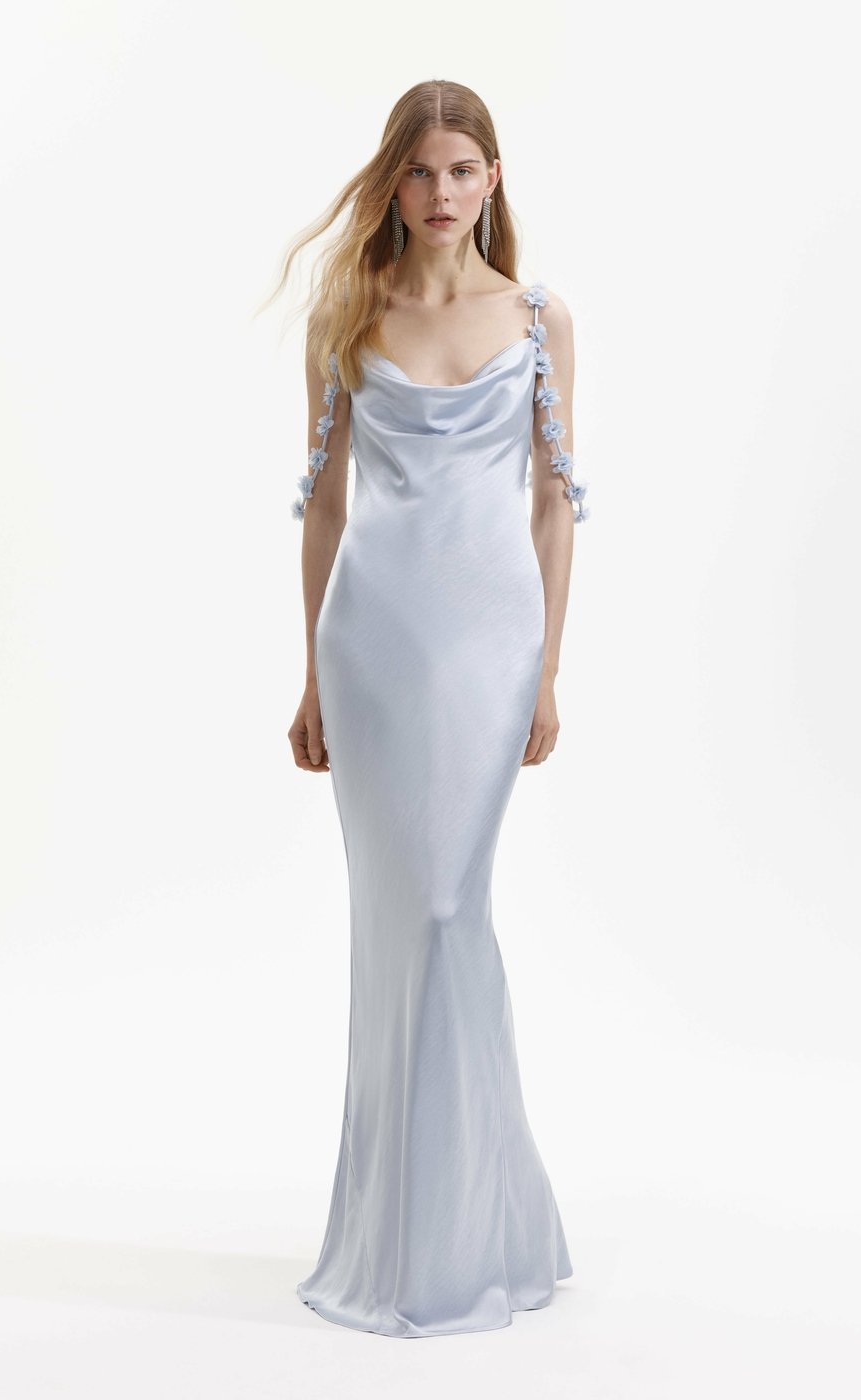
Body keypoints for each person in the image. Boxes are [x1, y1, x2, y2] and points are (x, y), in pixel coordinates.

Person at [278, 79, 584, 1338]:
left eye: (462, 170)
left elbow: (555, 500)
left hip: (489, 644)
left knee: (452, 908)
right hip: (373, 646)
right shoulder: (349, 311)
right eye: (419, 171)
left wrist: (547, 666)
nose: (440, 192)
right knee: (401, 925)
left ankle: (477, 1232)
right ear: (391, 182)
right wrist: (310, 671)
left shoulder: (538, 317)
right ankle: (405, 1240)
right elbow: (324, 504)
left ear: (492, 179)